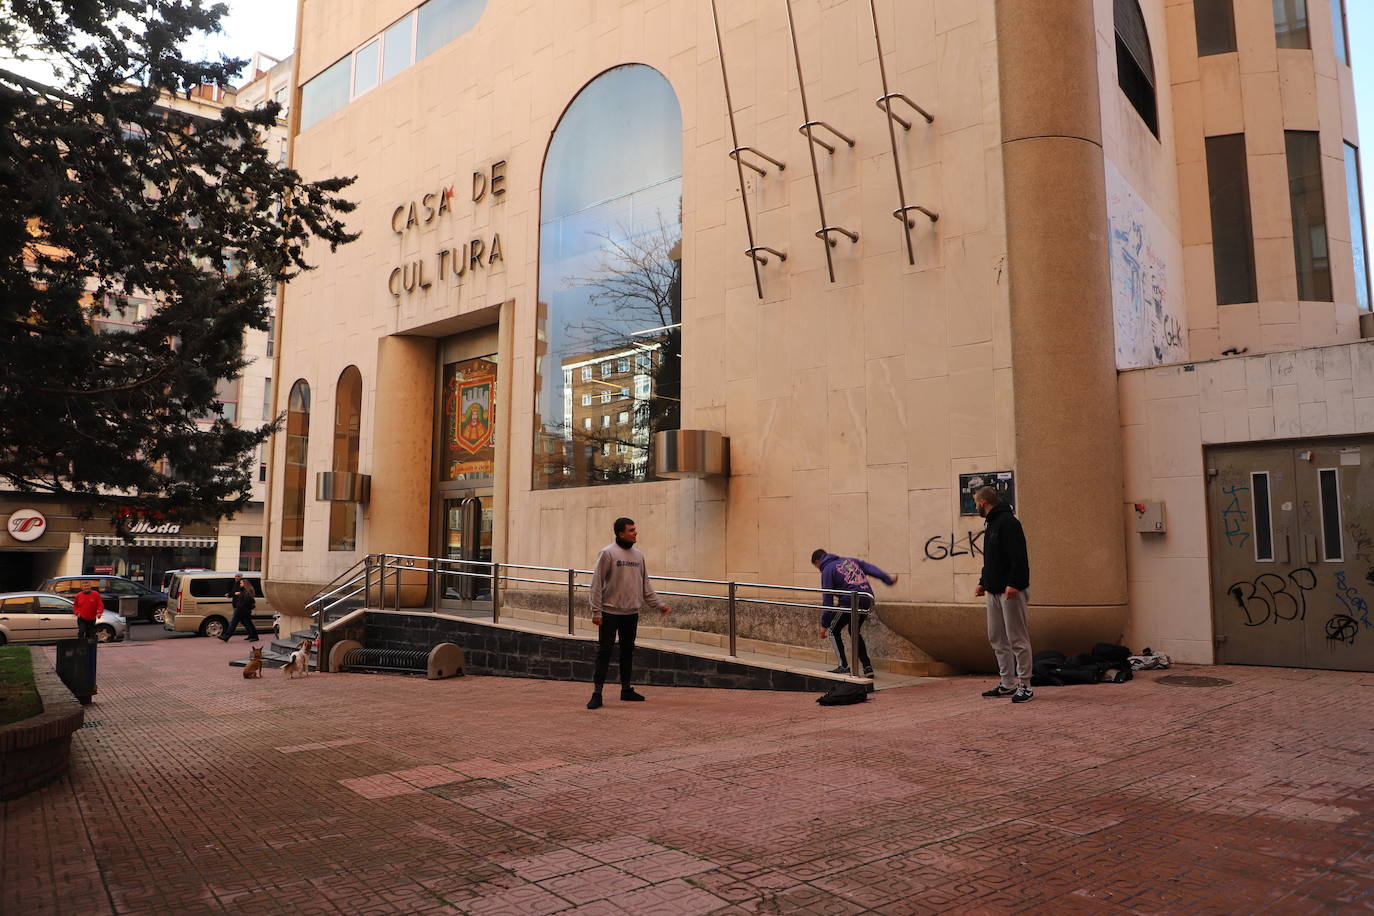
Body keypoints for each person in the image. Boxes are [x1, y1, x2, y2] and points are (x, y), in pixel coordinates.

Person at [586, 517, 669, 709]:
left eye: (635, 529)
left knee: (627, 652)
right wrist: (596, 611)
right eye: (631, 530)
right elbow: (596, 583)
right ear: (620, 533)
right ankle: (597, 694)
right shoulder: (607, 553)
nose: (635, 532)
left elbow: (645, 585)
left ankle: (625, 689)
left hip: (631, 613)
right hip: (609, 613)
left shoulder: (639, 556)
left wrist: (659, 604)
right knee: (604, 652)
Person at [973, 486, 1033, 703]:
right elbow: (991, 559)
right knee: (997, 637)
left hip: (1011, 590)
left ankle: (1025, 685)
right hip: (994, 589)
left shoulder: (1009, 523)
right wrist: (983, 582)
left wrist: (1015, 583)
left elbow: (1019, 556)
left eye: (976, 502)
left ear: (983, 502)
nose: (975, 506)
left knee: (1017, 638)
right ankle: (1007, 682)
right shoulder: (991, 523)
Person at [811, 549, 898, 677]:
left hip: (850, 602)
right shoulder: (850, 561)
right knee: (854, 631)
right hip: (867, 599)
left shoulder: (827, 569)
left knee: (833, 630)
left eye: (816, 566)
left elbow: (827, 598)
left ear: (817, 561)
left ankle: (843, 666)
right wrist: (888, 580)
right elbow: (870, 568)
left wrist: (824, 624)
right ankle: (867, 668)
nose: (818, 569)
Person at [220, 573, 260, 642]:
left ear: (245, 584)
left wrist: (239, 598)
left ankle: (226, 636)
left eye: (241, 583)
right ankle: (253, 636)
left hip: (242, 609)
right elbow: (235, 593)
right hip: (241, 609)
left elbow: (246, 600)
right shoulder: (243, 590)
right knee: (247, 623)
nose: (240, 584)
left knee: (234, 623)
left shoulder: (247, 591)